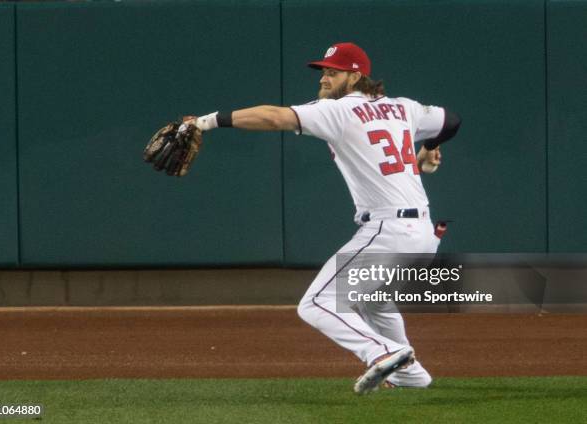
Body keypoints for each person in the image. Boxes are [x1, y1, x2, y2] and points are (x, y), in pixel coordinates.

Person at [189, 42, 461, 394]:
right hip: (422, 232)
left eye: (334, 71)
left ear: (356, 75)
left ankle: (384, 353)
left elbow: (275, 116)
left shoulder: (338, 110)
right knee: (372, 299)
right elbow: (451, 121)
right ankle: (410, 375)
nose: (325, 77)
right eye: (324, 71)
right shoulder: (404, 107)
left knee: (316, 303)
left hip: (388, 230)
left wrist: (207, 121)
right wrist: (427, 149)